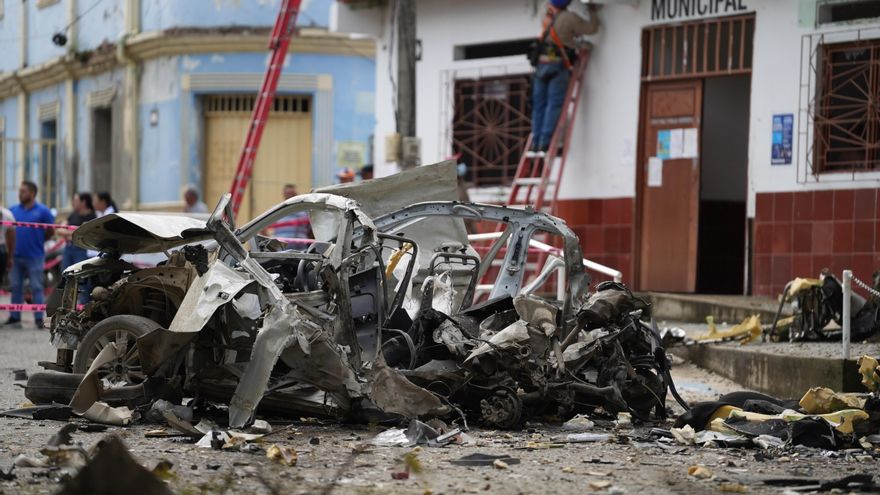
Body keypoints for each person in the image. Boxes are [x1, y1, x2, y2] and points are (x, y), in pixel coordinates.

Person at [528, 0, 599, 157]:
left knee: (539, 106)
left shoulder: (545, 14)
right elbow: (592, 28)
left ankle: (535, 142)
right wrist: (593, 12)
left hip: (540, 66)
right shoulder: (569, 18)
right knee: (553, 104)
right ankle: (545, 141)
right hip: (558, 66)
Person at [6, 181, 56, 329]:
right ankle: (15, 317)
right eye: (20, 191)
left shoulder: (43, 211)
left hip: (35, 256)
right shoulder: (13, 210)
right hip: (15, 255)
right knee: (15, 286)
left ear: (32, 193)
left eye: (24, 191)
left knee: (36, 287)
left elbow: (50, 231)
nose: (20, 194)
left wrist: (38, 241)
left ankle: (39, 318)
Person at [57, 193, 97, 271]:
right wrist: (73, 233)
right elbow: (60, 229)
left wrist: (69, 233)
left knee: (80, 274)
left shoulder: (92, 217)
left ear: (83, 202)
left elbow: (83, 233)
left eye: (75, 200)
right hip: (69, 247)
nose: (73, 203)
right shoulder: (73, 214)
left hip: (82, 249)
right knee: (65, 273)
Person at [274, 184, 311, 249]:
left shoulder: (304, 211)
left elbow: (310, 228)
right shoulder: (276, 210)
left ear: (296, 194)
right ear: (284, 194)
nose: (290, 196)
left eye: (292, 193)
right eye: (288, 193)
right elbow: (263, 227)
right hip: (280, 250)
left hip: (301, 250)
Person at [0, 206, 15, 290]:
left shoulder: (7, 215)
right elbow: (11, 240)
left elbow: (11, 240)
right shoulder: (8, 214)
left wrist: (9, 258)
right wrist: (10, 258)